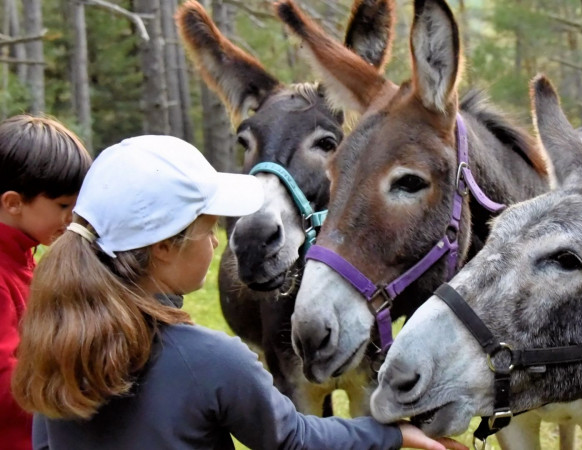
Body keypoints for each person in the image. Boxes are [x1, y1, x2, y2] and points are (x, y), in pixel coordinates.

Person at [11, 135, 465, 450]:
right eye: (209, 228)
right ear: (165, 246)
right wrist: (391, 434)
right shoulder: (211, 360)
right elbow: (293, 439)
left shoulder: (52, 339)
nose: (216, 244)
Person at [0, 115, 92, 450]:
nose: (71, 218)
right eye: (64, 205)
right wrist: (76, 391)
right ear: (13, 203)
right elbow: (5, 385)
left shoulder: (23, 257)